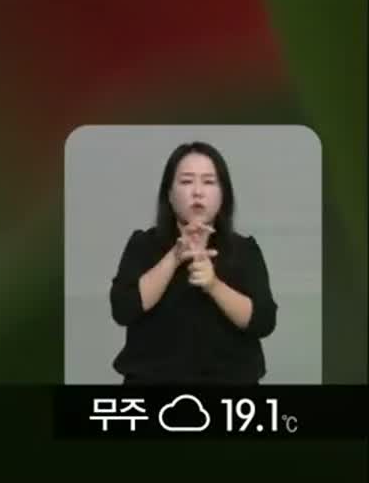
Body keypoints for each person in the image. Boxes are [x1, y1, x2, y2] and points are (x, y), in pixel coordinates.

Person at [109, 141, 278, 383]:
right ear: (169, 193)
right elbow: (123, 309)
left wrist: (213, 285)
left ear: (223, 194)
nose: (197, 192)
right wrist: (175, 257)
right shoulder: (143, 245)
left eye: (209, 182)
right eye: (187, 181)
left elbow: (263, 321)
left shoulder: (244, 250)